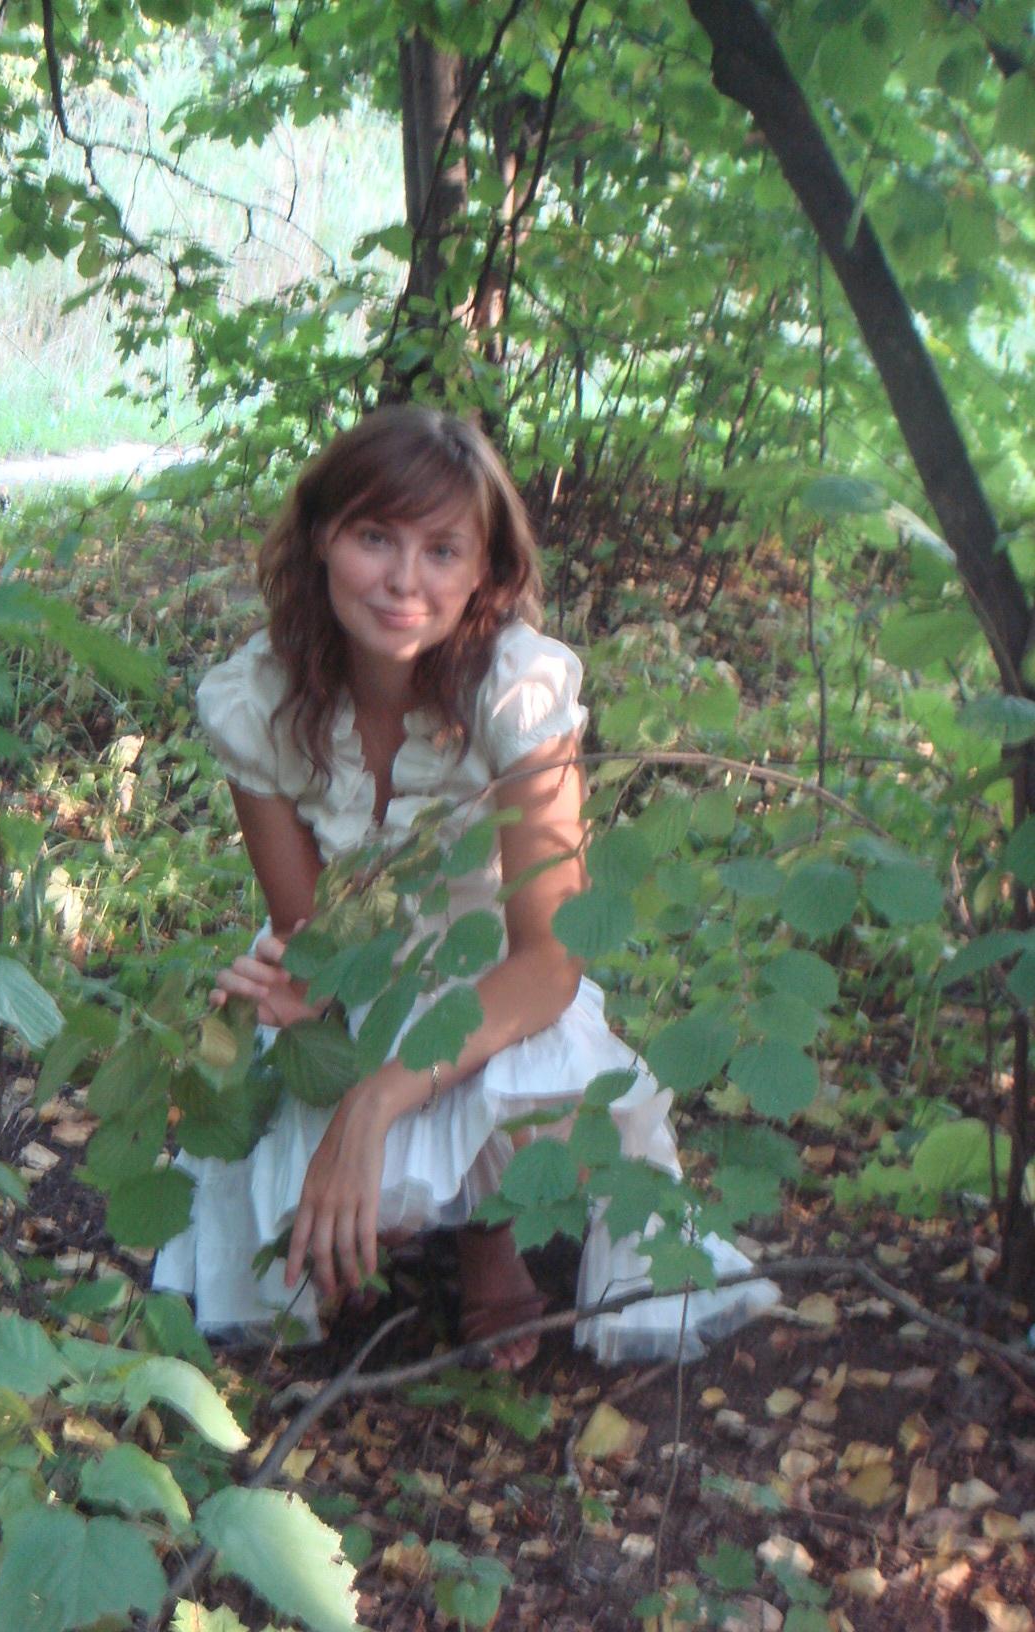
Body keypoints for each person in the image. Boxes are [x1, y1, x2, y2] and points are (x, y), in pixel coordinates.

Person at [153, 405, 776, 1368]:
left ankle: (489, 1240)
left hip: (500, 987)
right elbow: (315, 933)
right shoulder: (258, 700)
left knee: (543, 1087)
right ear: (320, 537)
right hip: (371, 978)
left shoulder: (516, 688)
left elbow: (550, 965)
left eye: (442, 550)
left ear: (484, 569)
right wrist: (303, 997)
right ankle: (379, 1222)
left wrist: (373, 1107)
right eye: (375, 537)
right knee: (270, 1123)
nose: (406, 579)